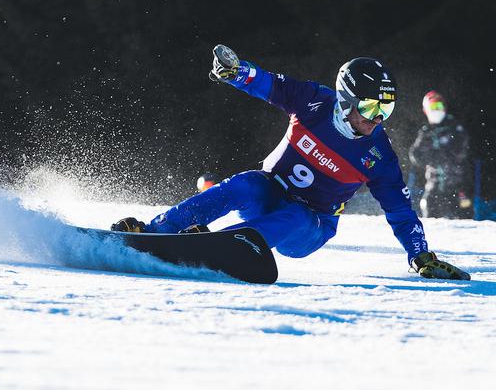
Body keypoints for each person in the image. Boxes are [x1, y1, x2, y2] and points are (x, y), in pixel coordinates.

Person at [112, 45, 470, 280]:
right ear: (345, 100)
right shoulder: (315, 101)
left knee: (298, 214)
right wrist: (236, 72)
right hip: (270, 194)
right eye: (371, 107)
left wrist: (420, 256)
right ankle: (158, 229)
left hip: (309, 227)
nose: (378, 118)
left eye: (386, 110)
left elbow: (401, 211)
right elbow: (270, 85)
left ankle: (224, 247)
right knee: (249, 182)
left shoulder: (378, 155)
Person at [409, 91, 472, 219]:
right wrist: (432, 156)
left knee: (464, 216)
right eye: (433, 107)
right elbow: (416, 154)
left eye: (439, 107)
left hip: (456, 184)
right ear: (426, 110)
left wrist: (439, 153)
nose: (436, 110)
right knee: (429, 211)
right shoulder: (426, 132)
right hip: (434, 183)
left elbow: (461, 150)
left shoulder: (454, 126)